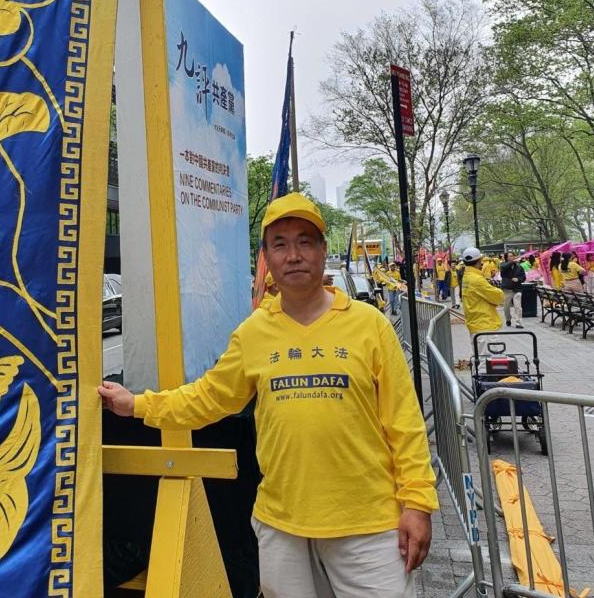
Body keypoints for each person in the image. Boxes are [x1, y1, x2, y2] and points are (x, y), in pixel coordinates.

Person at [99, 192, 437, 597]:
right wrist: (135, 404)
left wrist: (417, 503)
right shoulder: (254, 333)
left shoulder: (369, 326)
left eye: (304, 241)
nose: (293, 254)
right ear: (266, 258)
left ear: (322, 251)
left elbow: (405, 422)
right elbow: (207, 399)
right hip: (281, 524)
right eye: (280, 244)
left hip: (369, 525)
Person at [461, 247, 504, 356]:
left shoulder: (467, 276)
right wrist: (498, 291)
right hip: (485, 326)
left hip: (476, 324)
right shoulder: (477, 279)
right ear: (478, 261)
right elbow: (498, 297)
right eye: (481, 260)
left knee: (479, 360)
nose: (482, 263)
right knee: (486, 363)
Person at [499, 252, 526, 328]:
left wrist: (518, 279)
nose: (512, 257)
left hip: (517, 288)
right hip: (507, 289)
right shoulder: (503, 265)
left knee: (518, 306)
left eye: (513, 256)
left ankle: (518, 322)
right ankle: (508, 319)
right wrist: (511, 262)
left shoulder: (519, 267)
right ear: (506, 258)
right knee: (506, 307)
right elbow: (504, 268)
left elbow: (523, 277)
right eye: (510, 256)